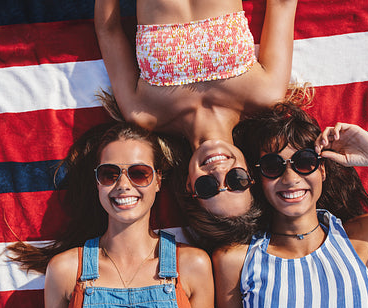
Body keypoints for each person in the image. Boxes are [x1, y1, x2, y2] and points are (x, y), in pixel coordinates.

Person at [94, 0, 301, 219]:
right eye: (236, 181)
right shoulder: (265, 94)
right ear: (250, 173)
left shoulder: (143, 113)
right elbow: (282, 4)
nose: (219, 172)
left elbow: (109, 30)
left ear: (189, 186)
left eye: (208, 187)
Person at [8, 122, 215, 308]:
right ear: (97, 182)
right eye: (110, 174)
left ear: (158, 179)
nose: (123, 185)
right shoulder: (65, 270)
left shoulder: (192, 266)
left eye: (139, 173)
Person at [213, 102, 368, 308]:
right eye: (273, 166)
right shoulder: (235, 261)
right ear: (258, 178)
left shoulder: (360, 238)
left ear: (322, 170)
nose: (290, 178)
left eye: (304, 162)